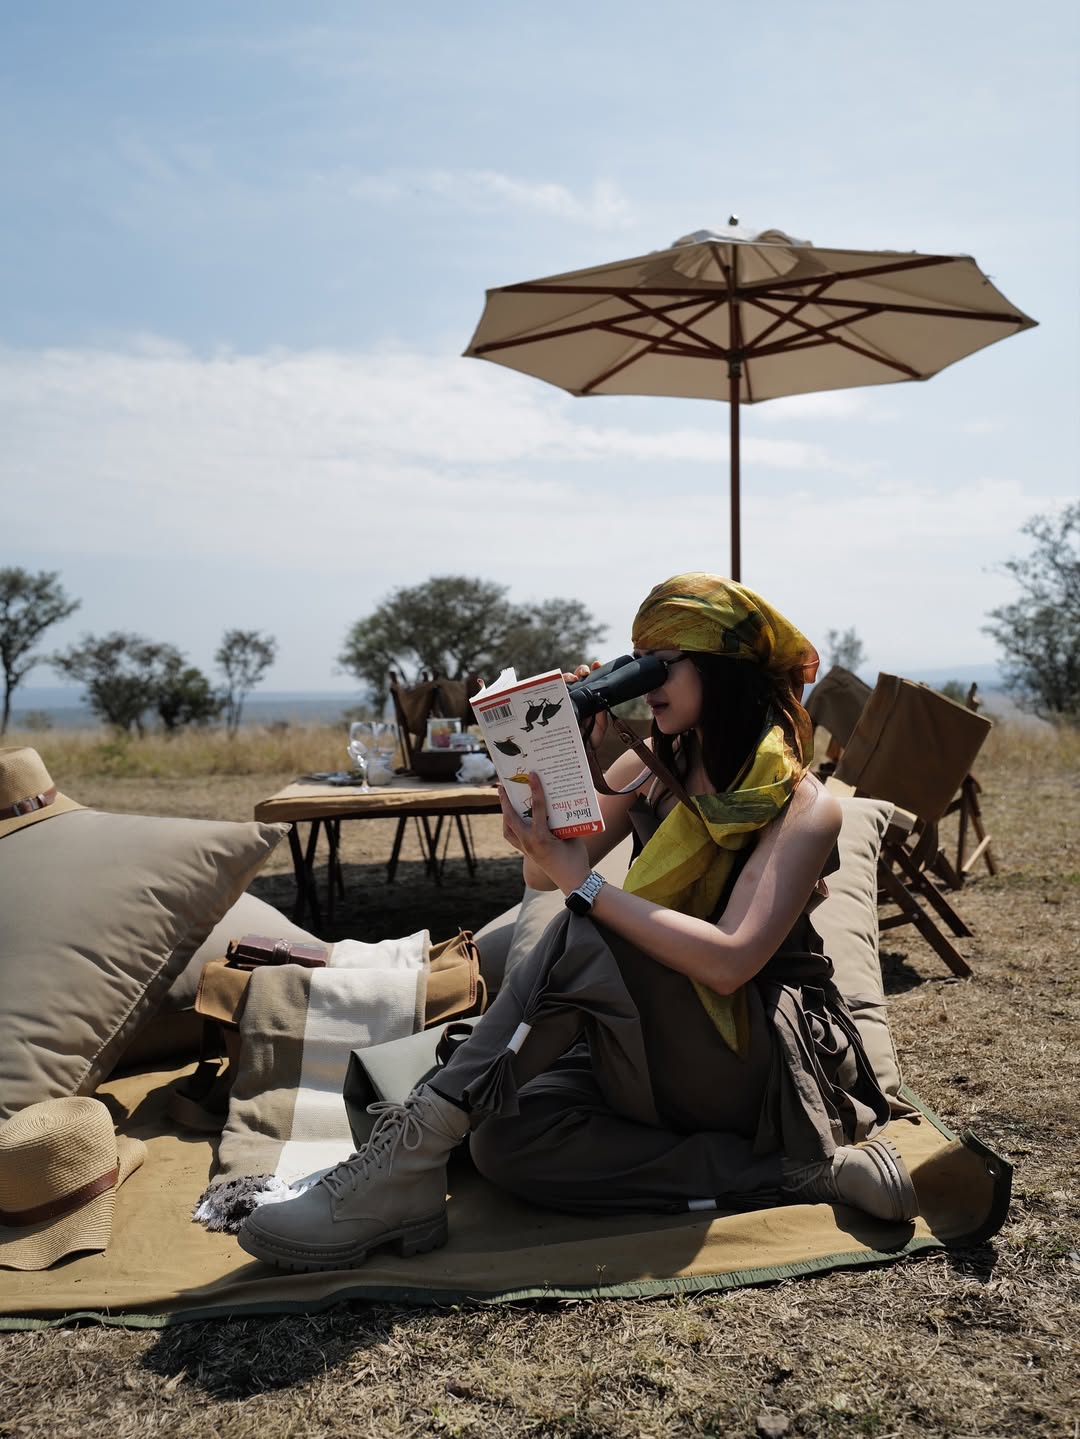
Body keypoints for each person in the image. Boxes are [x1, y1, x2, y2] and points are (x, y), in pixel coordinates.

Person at [238, 574, 917, 1272]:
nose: (646, 680)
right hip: (654, 1049)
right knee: (502, 1144)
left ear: (722, 668)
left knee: (593, 924)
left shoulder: (803, 803)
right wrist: (565, 760)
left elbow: (729, 959)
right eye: (636, 659)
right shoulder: (652, 766)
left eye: (663, 660)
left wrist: (582, 882)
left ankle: (405, 1159)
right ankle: (795, 1172)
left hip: (758, 1062)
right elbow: (544, 872)